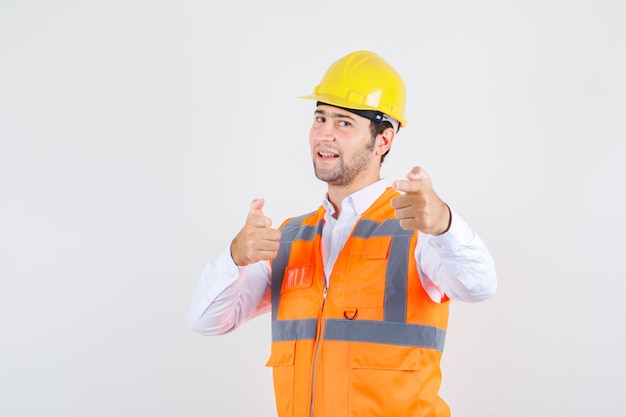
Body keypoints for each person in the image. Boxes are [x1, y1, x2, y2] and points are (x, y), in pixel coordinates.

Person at [189, 50, 497, 417]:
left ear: (383, 140)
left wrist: (445, 224)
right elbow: (207, 322)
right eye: (320, 118)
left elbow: (479, 286)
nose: (324, 134)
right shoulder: (289, 237)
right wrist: (235, 257)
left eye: (344, 122)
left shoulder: (416, 226)